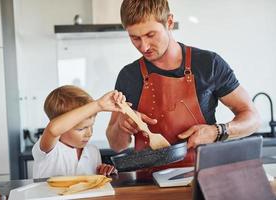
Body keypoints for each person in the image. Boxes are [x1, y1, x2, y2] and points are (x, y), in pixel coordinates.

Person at [106, 0, 260, 169]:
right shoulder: (128, 76)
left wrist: (217, 131)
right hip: (149, 185)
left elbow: (252, 119)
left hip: (203, 177)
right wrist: (122, 126)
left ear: (169, 22)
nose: (144, 46)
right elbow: (116, 145)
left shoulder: (209, 64)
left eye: (151, 35)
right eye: (135, 38)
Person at [32, 85, 126, 178]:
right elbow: (53, 129)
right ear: (63, 126)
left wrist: (103, 173)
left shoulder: (92, 151)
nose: (89, 133)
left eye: (91, 126)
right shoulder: (48, 150)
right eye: (81, 129)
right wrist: (98, 105)